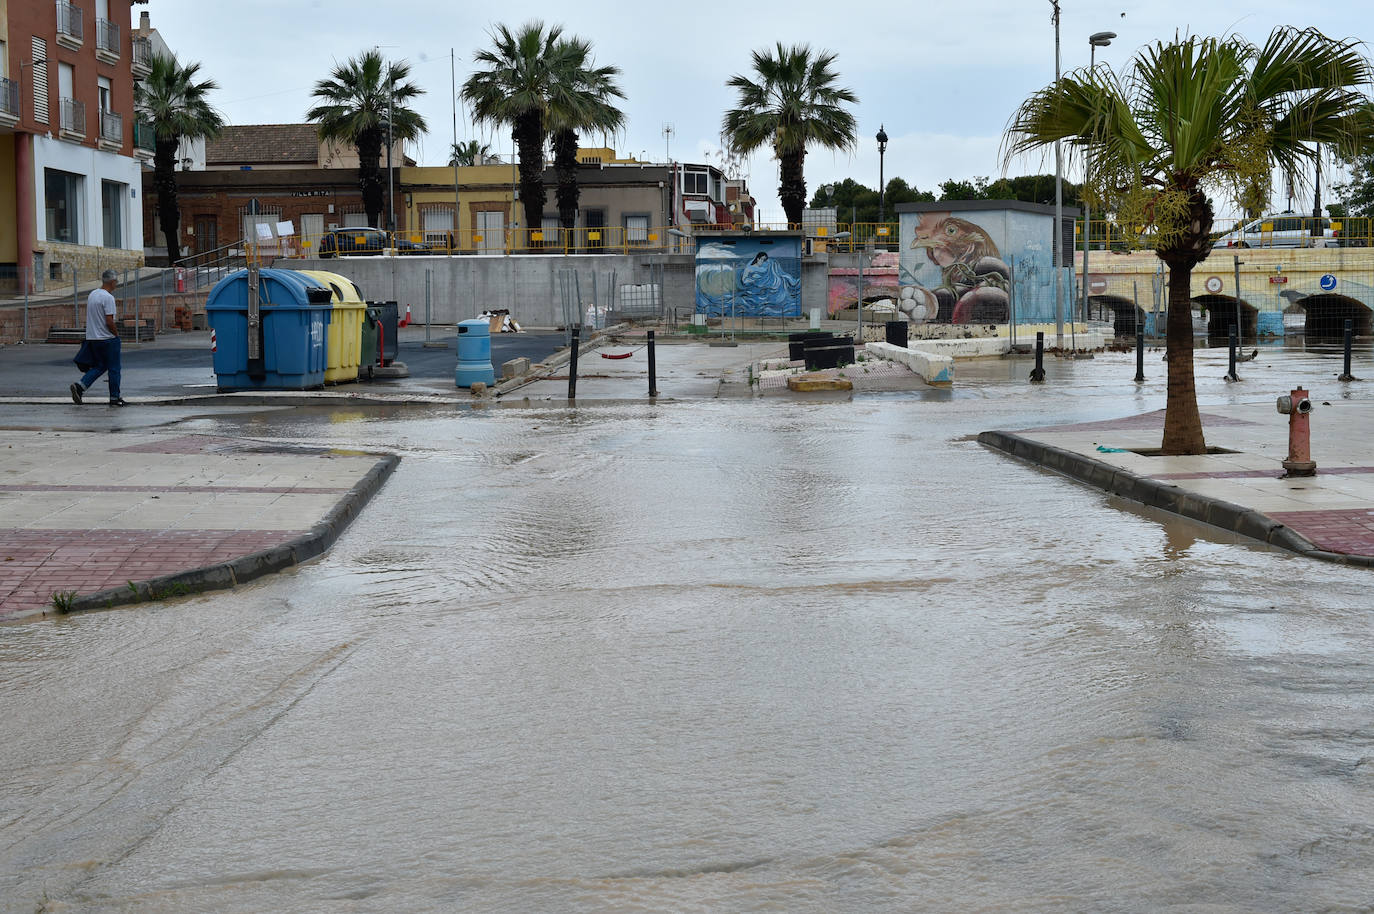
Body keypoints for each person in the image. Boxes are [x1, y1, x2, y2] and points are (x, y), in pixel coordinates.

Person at [70, 269, 127, 406]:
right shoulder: (108, 298)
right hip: (107, 339)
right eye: (116, 282)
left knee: (100, 366)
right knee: (114, 368)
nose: (116, 285)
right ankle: (114, 397)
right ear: (112, 282)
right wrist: (116, 335)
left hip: (93, 338)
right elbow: (109, 321)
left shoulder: (93, 294)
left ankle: (80, 386)